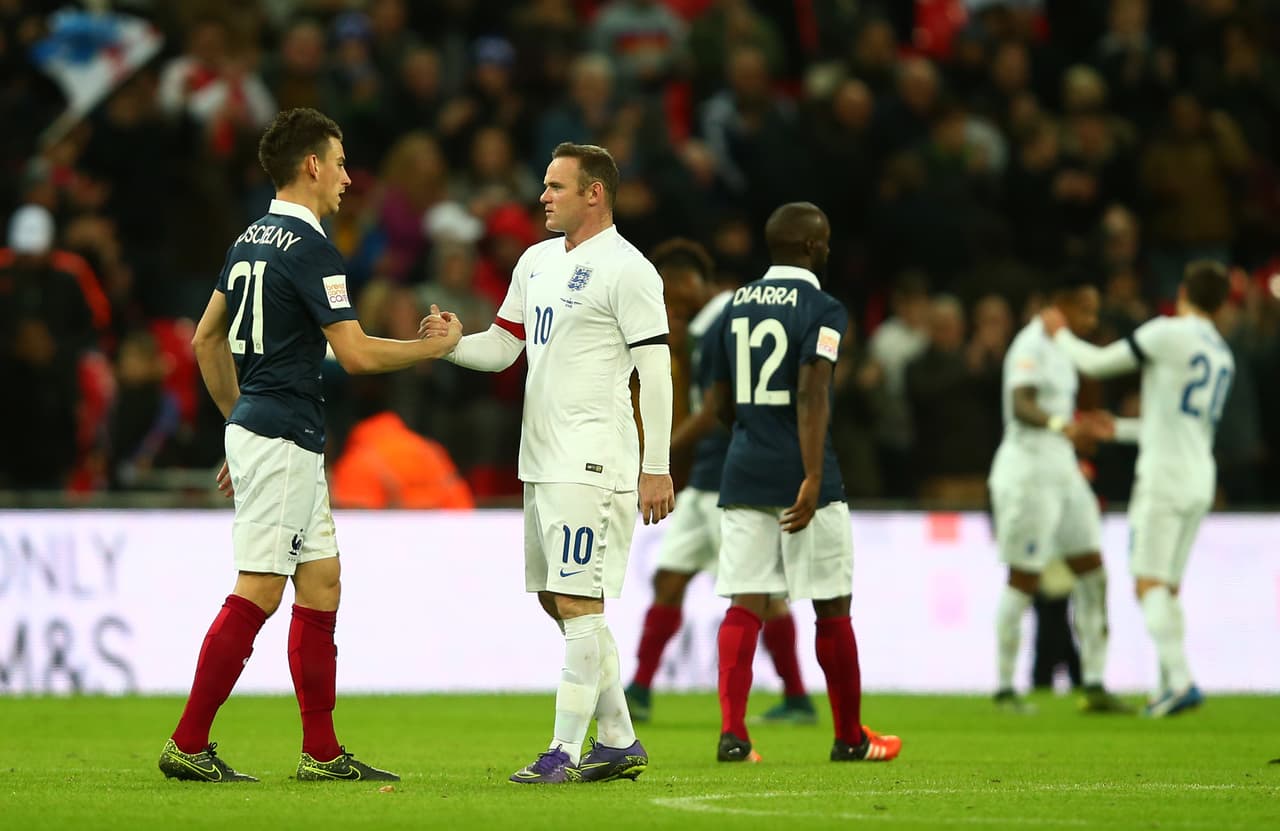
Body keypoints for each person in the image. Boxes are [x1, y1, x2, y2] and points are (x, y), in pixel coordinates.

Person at [158, 108, 462, 783]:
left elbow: (205, 338)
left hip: (274, 432)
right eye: (342, 162)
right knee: (261, 587)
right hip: (285, 434)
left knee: (321, 581)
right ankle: (187, 742)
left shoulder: (247, 241)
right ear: (313, 166)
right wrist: (430, 348)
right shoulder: (312, 246)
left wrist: (241, 423)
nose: (350, 179)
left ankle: (321, 752)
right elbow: (352, 354)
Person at [427, 142, 674, 783]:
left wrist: (657, 465)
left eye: (556, 186)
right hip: (540, 458)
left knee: (576, 600)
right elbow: (505, 349)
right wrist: (454, 346)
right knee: (556, 600)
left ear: (595, 193)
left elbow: (656, 371)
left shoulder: (630, 269)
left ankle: (563, 752)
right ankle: (618, 740)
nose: (543, 196)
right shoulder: (535, 262)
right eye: (544, 185)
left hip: (593, 460)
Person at [703, 202, 902, 764]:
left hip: (743, 470)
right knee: (832, 606)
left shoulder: (731, 307)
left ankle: (734, 736)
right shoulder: (825, 308)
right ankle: (849, 738)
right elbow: (813, 390)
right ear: (813, 247)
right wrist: (812, 473)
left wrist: (750, 437)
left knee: (745, 602)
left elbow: (719, 400)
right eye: (827, 242)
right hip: (804, 476)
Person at [623, 238, 817, 725]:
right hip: (710, 479)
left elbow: (714, 412)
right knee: (670, 578)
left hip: (730, 479)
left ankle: (797, 696)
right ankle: (641, 689)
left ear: (687, 284)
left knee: (758, 591)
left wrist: (658, 454)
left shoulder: (718, 325)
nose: (666, 308)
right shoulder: (721, 322)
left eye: (668, 296)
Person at [1042, 261, 1235, 718]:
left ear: (1184, 291)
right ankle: (1171, 684)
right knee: (1167, 587)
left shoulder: (1170, 331)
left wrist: (1059, 334)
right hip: (1199, 475)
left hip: (1165, 478)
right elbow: (1181, 424)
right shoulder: (1222, 353)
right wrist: (1121, 430)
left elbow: (1096, 363)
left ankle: (1182, 680)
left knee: (1148, 582)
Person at [987, 270, 1133, 715]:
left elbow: (1065, 406)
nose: (1091, 318)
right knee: (1024, 577)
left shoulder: (1067, 348)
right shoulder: (1029, 345)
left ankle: (1094, 682)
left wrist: (1086, 422)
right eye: (1084, 309)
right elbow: (1021, 404)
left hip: (1064, 469)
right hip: (1029, 470)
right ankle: (1005, 687)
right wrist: (1060, 425)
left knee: (1093, 571)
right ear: (1060, 304)